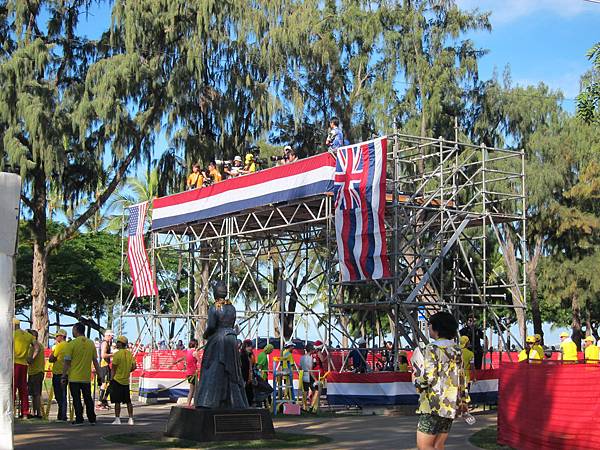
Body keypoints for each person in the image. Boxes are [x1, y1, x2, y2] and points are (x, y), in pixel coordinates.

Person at [413, 312, 470, 450]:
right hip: (450, 403)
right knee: (438, 445)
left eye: (430, 325)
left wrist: (417, 381)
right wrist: (463, 401)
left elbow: (429, 377)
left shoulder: (432, 348)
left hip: (433, 404)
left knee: (424, 445)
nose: (428, 329)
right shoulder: (456, 349)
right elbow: (461, 376)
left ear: (436, 328)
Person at [194, 281, 248, 408]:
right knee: (232, 371)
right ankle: (236, 402)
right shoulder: (232, 308)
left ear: (215, 293)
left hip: (219, 340)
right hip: (231, 339)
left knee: (212, 368)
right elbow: (232, 324)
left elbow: (212, 326)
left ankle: (209, 401)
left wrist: (206, 335)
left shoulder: (215, 308)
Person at [62, 322, 101, 425]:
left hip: (74, 377)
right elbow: (95, 361)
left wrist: (63, 375)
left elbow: (67, 362)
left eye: (73, 330)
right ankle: (92, 418)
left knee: (77, 399)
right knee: (88, 398)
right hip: (86, 377)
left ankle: (79, 418)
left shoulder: (71, 344)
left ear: (76, 330)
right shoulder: (91, 343)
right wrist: (100, 374)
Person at [13, 318, 40, 418]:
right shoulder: (28, 336)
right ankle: (25, 412)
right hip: (24, 365)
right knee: (23, 389)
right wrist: (32, 358)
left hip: (14, 363)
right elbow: (37, 347)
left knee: (12, 388)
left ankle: (10, 412)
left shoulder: (12, 334)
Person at [109, 336, 137, 425]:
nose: (117, 343)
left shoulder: (117, 354)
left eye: (118, 342)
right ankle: (131, 418)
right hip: (126, 380)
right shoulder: (129, 354)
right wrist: (128, 371)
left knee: (117, 401)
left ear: (121, 343)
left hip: (117, 380)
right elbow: (134, 366)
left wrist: (111, 378)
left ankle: (117, 419)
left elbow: (113, 368)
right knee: (128, 401)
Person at [171, 338, 200, 407]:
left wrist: (175, 362)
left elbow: (182, 358)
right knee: (194, 389)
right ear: (195, 345)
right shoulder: (194, 352)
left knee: (194, 389)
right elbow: (200, 361)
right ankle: (190, 403)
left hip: (188, 373)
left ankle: (191, 403)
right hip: (193, 373)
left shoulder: (187, 351)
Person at [49, 328, 69, 421]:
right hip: (66, 373)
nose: (56, 338)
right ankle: (62, 414)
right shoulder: (69, 345)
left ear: (62, 336)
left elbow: (51, 358)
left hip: (58, 373)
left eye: (57, 336)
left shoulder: (59, 346)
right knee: (63, 394)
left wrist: (54, 352)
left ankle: (62, 415)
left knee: (59, 395)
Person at [26, 329, 45, 419]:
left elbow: (31, 358)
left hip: (37, 372)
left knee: (36, 393)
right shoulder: (33, 347)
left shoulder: (36, 346)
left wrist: (31, 359)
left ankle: (38, 413)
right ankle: (35, 412)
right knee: (33, 394)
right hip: (33, 372)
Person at [97, 329, 114, 409]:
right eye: (111, 336)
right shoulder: (105, 343)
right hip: (104, 365)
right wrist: (112, 354)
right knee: (104, 383)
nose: (112, 338)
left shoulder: (106, 343)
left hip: (105, 365)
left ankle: (104, 400)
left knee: (110, 383)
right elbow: (103, 355)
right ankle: (100, 401)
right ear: (108, 335)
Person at [240, 339, 255, 406]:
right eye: (248, 346)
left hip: (249, 379)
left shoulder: (249, 356)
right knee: (246, 395)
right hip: (245, 379)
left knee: (249, 395)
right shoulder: (242, 356)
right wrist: (244, 379)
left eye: (250, 346)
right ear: (244, 347)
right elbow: (243, 369)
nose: (250, 348)